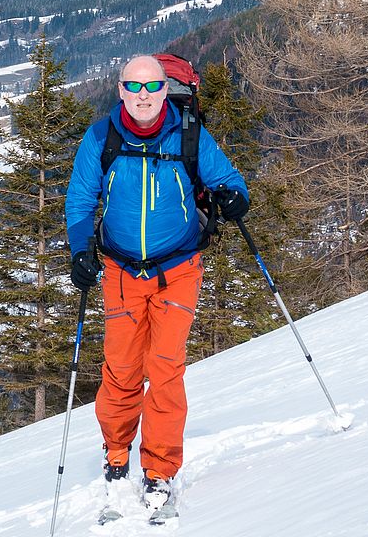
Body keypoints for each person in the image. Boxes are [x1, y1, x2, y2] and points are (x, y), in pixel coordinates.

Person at [64, 54, 249, 510]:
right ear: (121, 90)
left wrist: (234, 198)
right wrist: (79, 251)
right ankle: (116, 453)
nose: (143, 96)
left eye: (152, 87)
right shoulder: (101, 138)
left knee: (165, 370)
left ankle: (160, 469)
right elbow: (80, 200)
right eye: (134, 87)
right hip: (122, 273)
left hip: (178, 270)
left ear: (165, 90)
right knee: (122, 371)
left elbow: (229, 180)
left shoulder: (189, 136)